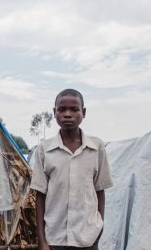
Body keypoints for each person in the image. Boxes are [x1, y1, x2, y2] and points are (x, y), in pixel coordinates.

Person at [31, 89, 113, 250]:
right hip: (55, 239)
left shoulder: (96, 148)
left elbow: (100, 191)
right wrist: (42, 241)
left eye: (74, 109)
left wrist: (98, 227)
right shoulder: (44, 150)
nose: (67, 114)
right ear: (54, 112)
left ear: (83, 112)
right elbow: (40, 196)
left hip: (87, 239)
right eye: (62, 109)